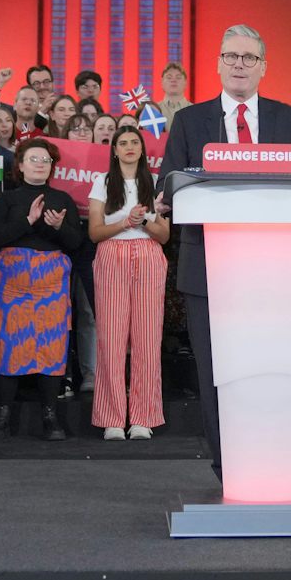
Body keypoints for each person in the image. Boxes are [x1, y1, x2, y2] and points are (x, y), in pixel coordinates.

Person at [160, 24, 291, 471]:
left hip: (274, 267)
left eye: (248, 57)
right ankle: (227, 463)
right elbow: (170, 184)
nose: (239, 64)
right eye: (231, 56)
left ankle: (271, 459)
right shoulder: (189, 120)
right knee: (215, 370)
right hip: (207, 264)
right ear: (218, 64)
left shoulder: (287, 119)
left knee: (270, 367)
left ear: (264, 66)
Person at [0, 139, 85, 441]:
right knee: (7, 343)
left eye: (46, 159)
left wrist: (56, 227)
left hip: (50, 282)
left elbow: (75, 242)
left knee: (51, 344)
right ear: (21, 164)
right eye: (33, 158)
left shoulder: (62, 199)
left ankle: (51, 416)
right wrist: (28, 220)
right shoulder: (6, 199)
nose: (40, 163)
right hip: (11, 282)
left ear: (52, 166)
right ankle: (1, 415)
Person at [88, 125, 170, 440]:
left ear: (142, 148)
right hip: (112, 255)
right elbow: (94, 232)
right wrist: (124, 222)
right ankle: (112, 417)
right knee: (111, 337)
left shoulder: (154, 183)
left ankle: (143, 417)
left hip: (148, 255)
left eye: (135, 142)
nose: (129, 147)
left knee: (148, 338)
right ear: (115, 149)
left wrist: (145, 220)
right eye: (123, 143)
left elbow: (164, 236)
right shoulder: (103, 182)